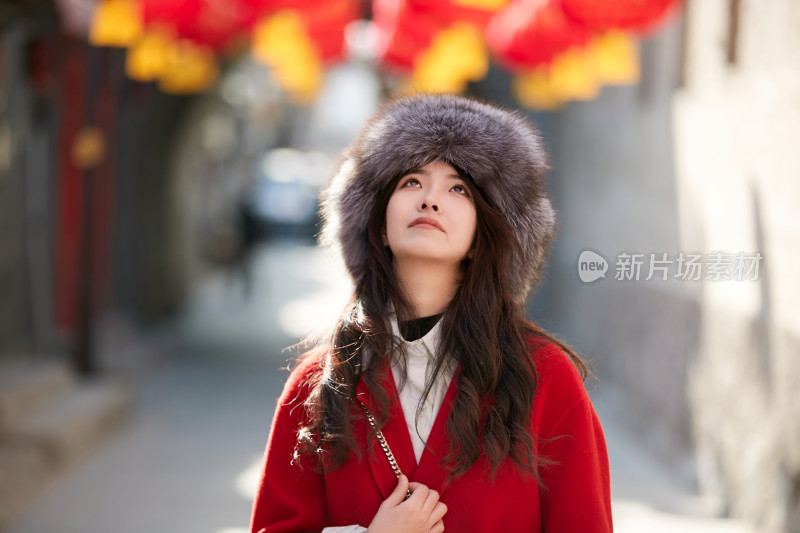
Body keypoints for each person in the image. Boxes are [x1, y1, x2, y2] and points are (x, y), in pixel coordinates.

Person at [250, 94, 612, 532]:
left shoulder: (545, 379)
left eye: (458, 188)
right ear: (378, 224)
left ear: (483, 236)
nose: (431, 200)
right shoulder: (320, 384)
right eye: (411, 182)